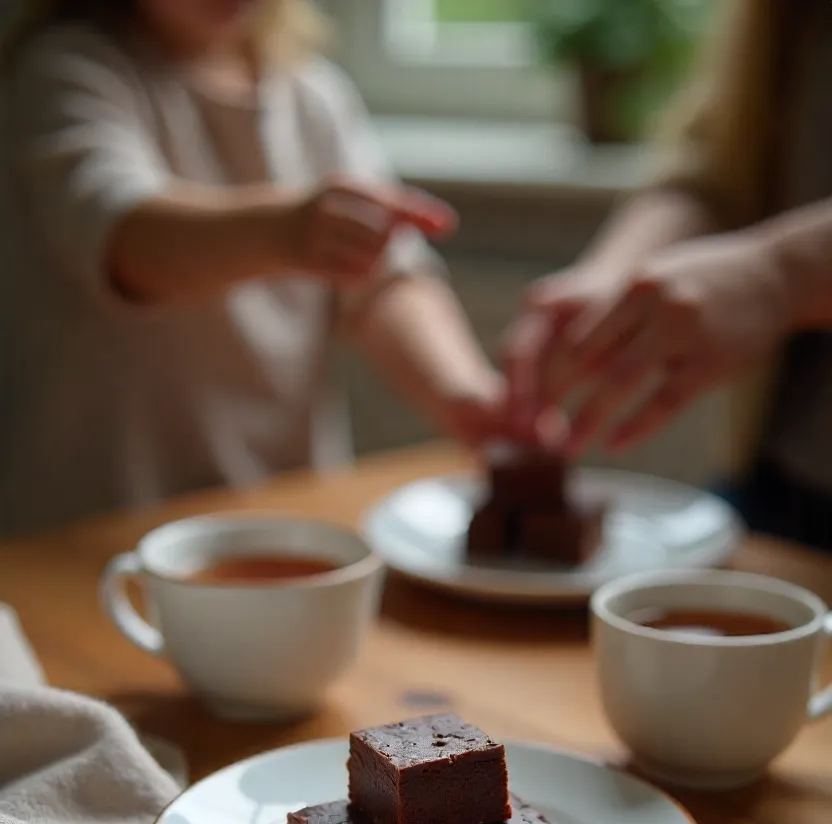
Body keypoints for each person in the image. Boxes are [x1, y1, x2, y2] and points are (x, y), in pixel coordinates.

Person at [0, 0, 524, 534]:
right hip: (94, 531)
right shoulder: (69, 70)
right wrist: (285, 232)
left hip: (279, 520)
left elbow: (386, 282)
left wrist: (463, 392)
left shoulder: (311, 92)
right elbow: (127, 241)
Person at [504, 0, 832, 551]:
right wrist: (617, 274)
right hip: (778, 487)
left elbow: (776, 270)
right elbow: (715, 164)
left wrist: (782, 274)